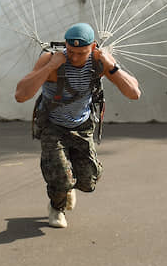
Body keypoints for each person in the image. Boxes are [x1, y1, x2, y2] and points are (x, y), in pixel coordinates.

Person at [15, 23, 141, 229]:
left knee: (88, 182)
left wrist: (111, 65)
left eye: (80, 53)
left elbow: (134, 93)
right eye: (70, 51)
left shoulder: (99, 63)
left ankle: (68, 185)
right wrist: (49, 67)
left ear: (92, 48)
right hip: (53, 125)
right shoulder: (51, 60)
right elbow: (21, 95)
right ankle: (57, 207)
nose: (73, 57)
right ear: (65, 45)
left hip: (82, 126)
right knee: (60, 178)